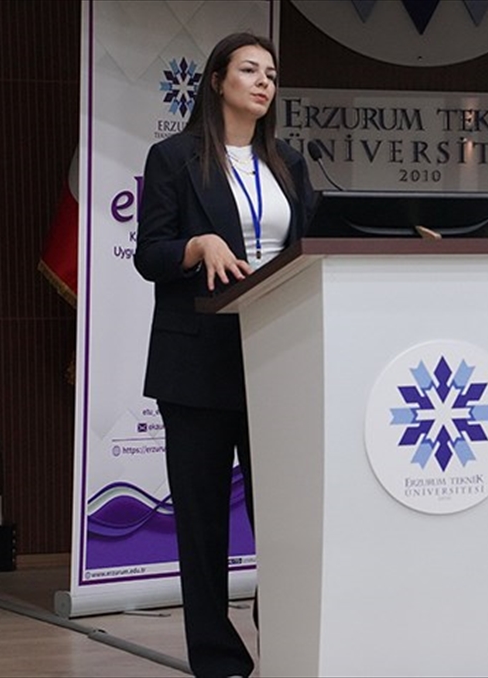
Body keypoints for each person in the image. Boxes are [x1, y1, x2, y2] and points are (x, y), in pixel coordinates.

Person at [134, 32, 315, 678]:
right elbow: (150, 254)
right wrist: (197, 245)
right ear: (216, 81)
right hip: (198, 365)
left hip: (282, 358)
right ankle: (219, 660)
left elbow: (315, 250)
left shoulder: (290, 162)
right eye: (249, 70)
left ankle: (289, 630)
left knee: (291, 518)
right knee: (204, 527)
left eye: (271, 72)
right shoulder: (175, 158)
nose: (264, 82)